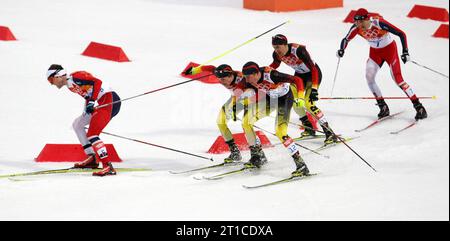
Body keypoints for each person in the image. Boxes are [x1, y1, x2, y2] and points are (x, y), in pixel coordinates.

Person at [337, 8, 427, 120]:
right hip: (375, 53)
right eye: (356, 21)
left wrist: (405, 51)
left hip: (390, 51)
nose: (358, 24)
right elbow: (346, 39)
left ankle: (419, 107)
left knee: (398, 79)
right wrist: (342, 49)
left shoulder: (378, 23)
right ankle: (382, 106)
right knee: (369, 77)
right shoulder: (356, 28)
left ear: (366, 19)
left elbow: (401, 34)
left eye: (360, 21)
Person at [46, 64, 121, 176]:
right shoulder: (70, 86)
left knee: (92, 134)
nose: (52, 83)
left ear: (58, 75)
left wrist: (92, 102)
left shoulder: (76, 76)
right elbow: (88, 96)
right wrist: (88, 107)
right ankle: (92, 158)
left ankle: (108, 166)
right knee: (77, 125)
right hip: (101, 101)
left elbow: (97, 82)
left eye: (51, 80)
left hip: (109, 99)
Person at [184, 64, 267, 165]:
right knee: (220, 122)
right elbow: (209, 68)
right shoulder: (221, 74)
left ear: (230, 76)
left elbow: (261, 91)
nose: (221, 82)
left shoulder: (243, 79)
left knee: (246, 125)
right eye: (219, 79)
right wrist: (193, 71)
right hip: (236, 98)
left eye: (223, 79)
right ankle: (235, 152)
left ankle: (258, 154)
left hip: (253, 99)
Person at [241, 61, 310, 177]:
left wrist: (301, 98)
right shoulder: (249, 79)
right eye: (245, 77)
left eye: (248, 77)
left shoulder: (272, 75)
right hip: (270, 99)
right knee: (246, 122)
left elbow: (297, 80)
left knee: (280, 132)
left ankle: (301, 164)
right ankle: (258, 156)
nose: (247, 80)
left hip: (284, 99)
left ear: (256, 73)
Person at [270, 34, 337, 144]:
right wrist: (264, 71)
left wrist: (314, 88)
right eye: (274, 48)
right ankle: (308, 127)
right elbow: (274, 65)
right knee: (295, 101)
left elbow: (313, 68)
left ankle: (329, 132)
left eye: (278, 47)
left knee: (309, 104)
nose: (276, 50)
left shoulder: (299, 50)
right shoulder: (276, 54)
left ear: (285, 44)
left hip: (312, 75)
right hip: (299, 77)